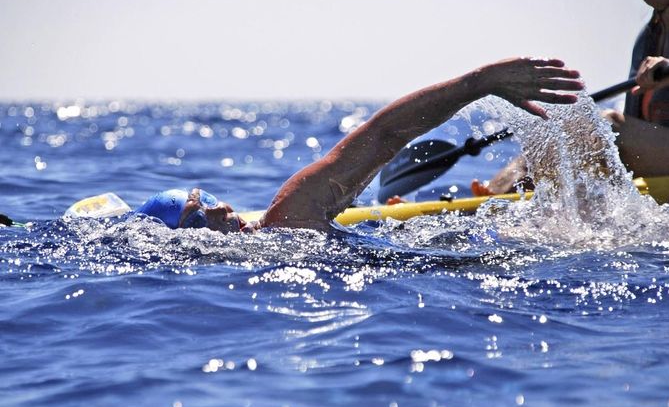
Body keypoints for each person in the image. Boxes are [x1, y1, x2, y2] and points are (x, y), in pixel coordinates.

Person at [137, 58, 582, 233]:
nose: (215, 208)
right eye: (196, 216)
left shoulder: (289, 212)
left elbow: (384, 137)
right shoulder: (285, 227)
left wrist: (477, 84)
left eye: (208, 198)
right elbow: (383, 137)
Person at [472, 0, 669, 196]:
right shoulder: (646, 39)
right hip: (662, 158)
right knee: (557, 130)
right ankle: (493, 196)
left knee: (605, 126)